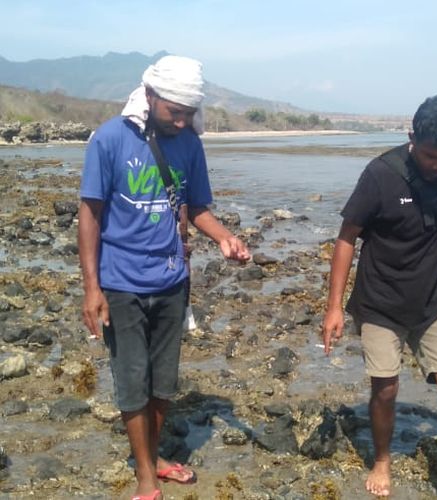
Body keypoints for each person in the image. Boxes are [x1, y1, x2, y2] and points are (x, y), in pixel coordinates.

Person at [78, 55, 250, 500]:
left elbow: (197, 207)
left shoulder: (189, 143)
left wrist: (225, 238)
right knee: (132, 382)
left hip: (172, 282)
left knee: (163, 383)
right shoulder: (110, 139)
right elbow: (90, 215)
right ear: (150, 96)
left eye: (188, 113)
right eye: (174, 111)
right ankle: (144, 477)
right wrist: (92, 289)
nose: (181, 120)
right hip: (122, 284)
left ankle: (151, 457)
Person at [322, 95, 437, 499]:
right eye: (430, 156)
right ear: (412, 138)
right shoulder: (381, 174)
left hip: (433, 297)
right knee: (386, 388)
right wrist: (334, 307)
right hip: (379, 300)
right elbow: (346, 239)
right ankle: (382, 460)